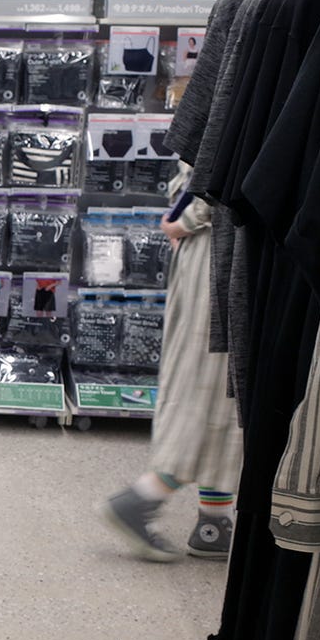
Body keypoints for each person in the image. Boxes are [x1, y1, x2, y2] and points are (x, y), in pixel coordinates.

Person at [103, 168, 242, 561]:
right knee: (218, 388)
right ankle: (140, 499)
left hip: (212, 246)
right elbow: (228, 171)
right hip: (226, 251)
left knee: (213, 385)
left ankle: (214, 523)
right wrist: (188, 219)